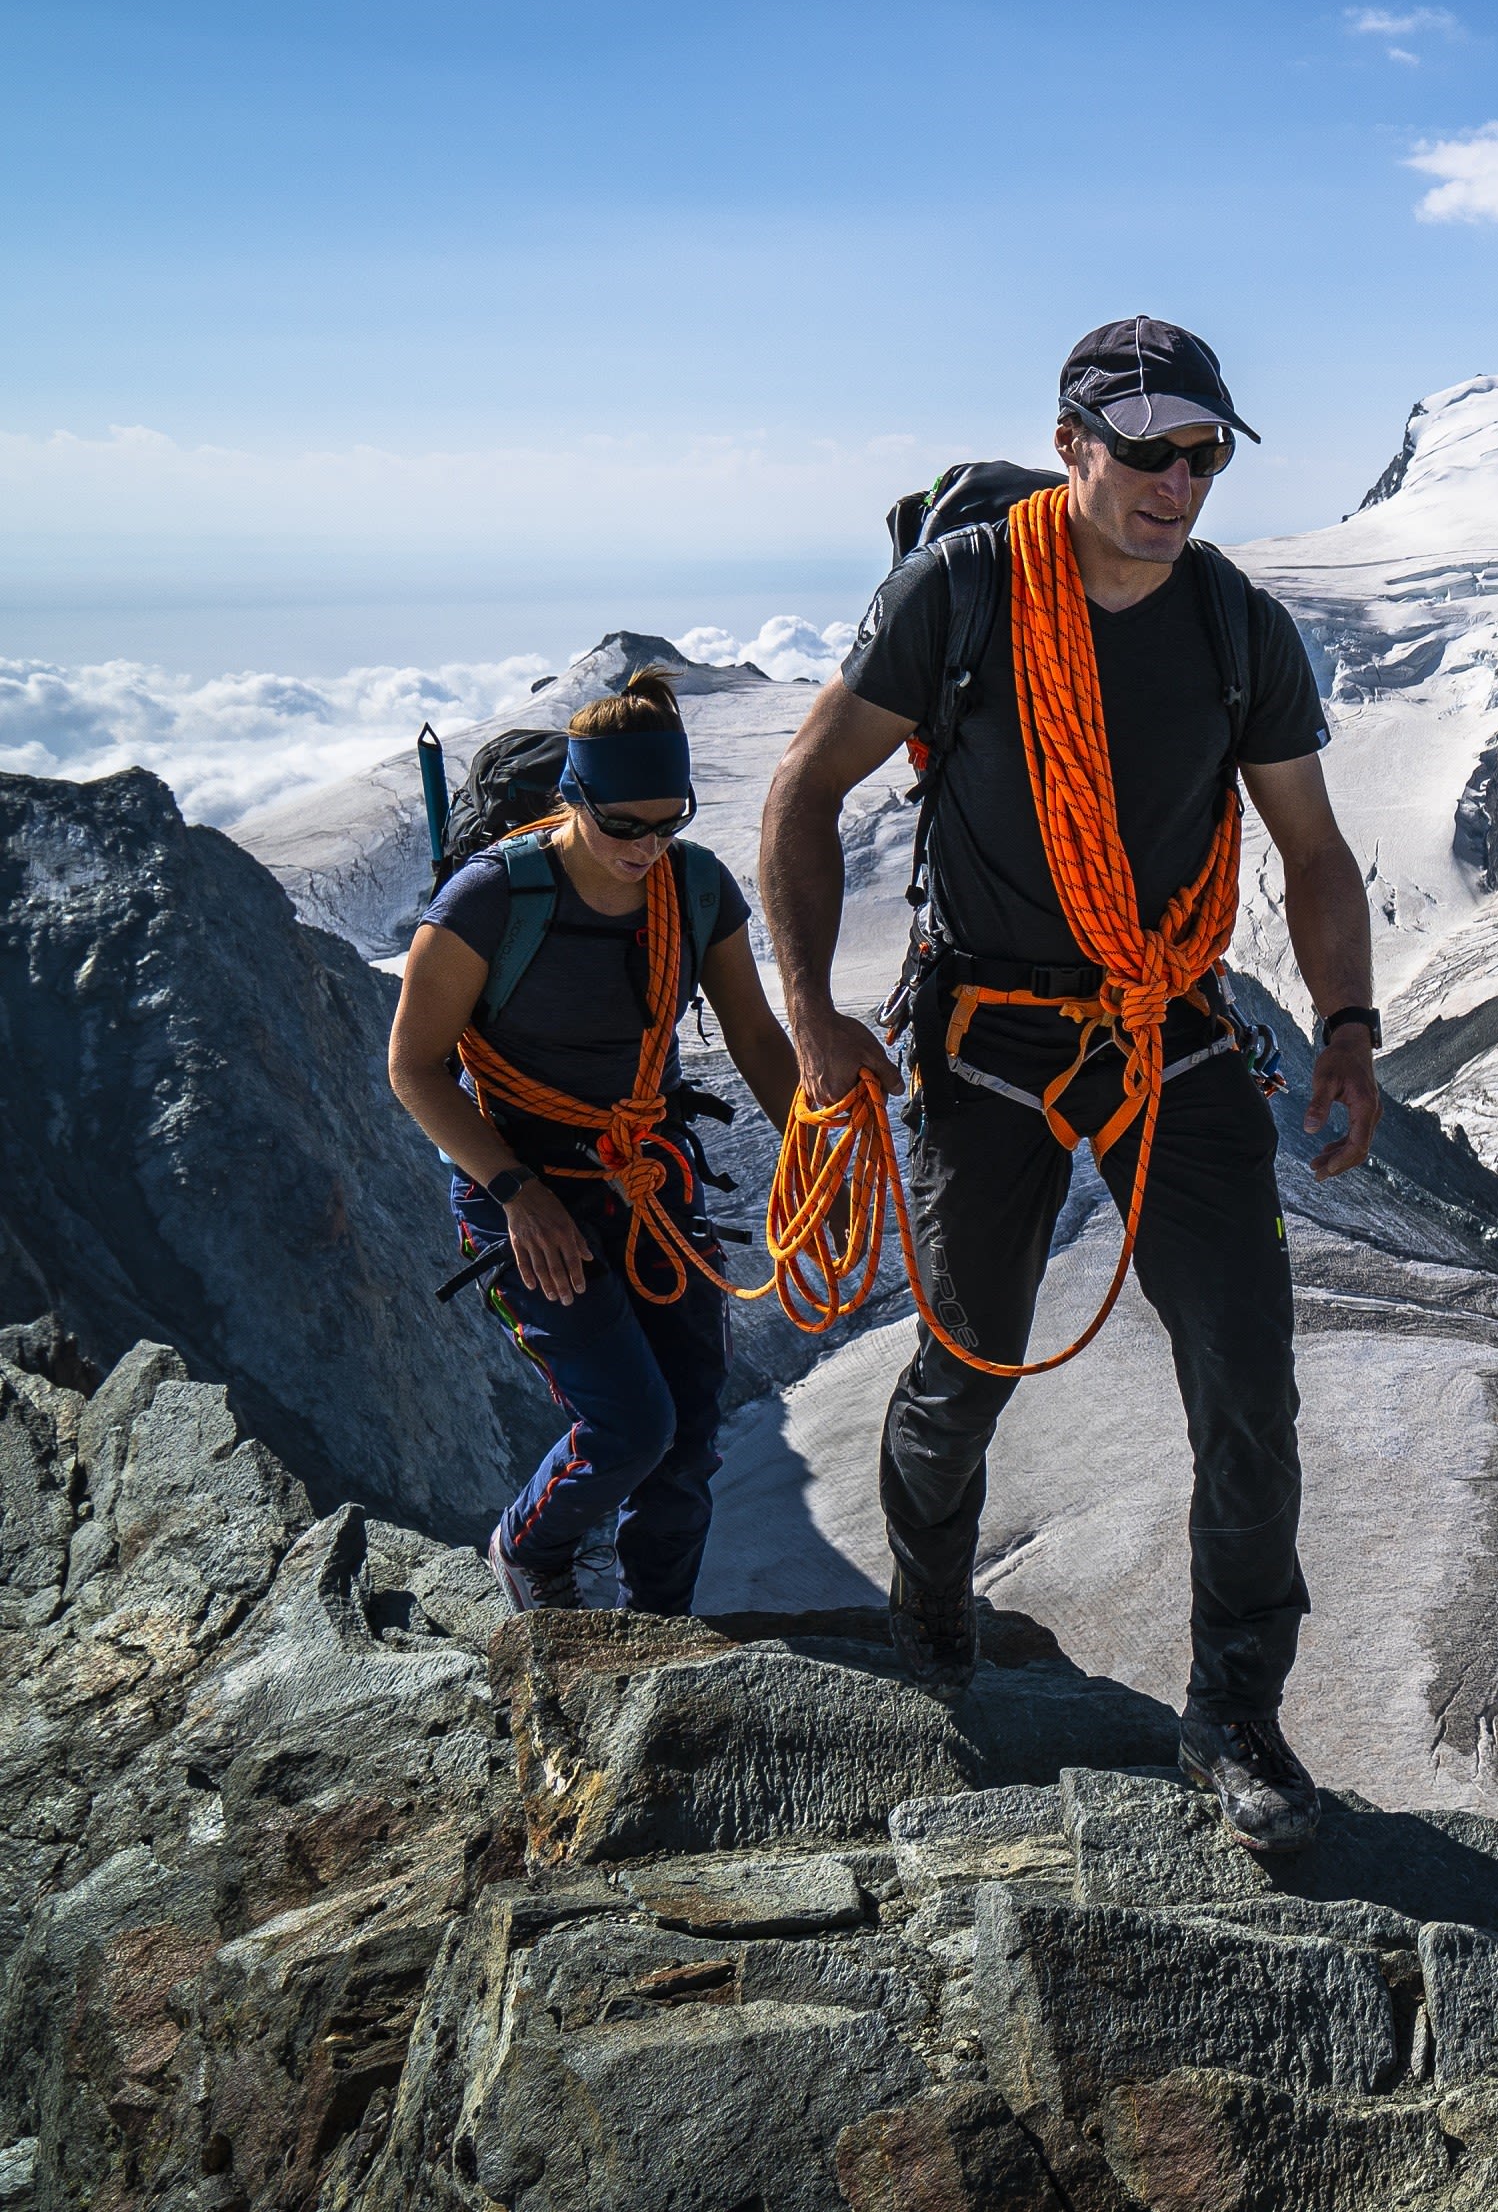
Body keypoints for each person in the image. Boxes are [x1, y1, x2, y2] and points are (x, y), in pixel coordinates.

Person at [759, 316, 1381, 1854]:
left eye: (1204, 455)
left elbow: (1308, 852)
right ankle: (929, 1606)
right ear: (1073, 446)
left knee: (1245, 1379)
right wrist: (811, 1019)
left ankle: (1236, 1714)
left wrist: (1351, 1027)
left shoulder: (1238, 629)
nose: (1178, 484)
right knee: (965, 1362)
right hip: (989, 1038)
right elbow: (802, 792)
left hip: (1168, 1026)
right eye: (1150, 451)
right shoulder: (961, 595)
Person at [387, 671, 800, 1615]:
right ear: (573, 798)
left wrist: (814, 1153)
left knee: (689, 1435)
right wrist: (518, 1195)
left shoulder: (695, 888)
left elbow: (756, 1040)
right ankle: (529, 1550)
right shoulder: (487, 900)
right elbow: (415, 1068)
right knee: (629, 1426)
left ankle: (660, 1632)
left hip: (647, 1182)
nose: (647, 850)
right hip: (522, 1182)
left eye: (669, 825)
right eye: (625, 828)